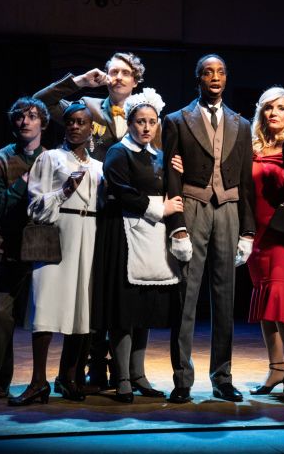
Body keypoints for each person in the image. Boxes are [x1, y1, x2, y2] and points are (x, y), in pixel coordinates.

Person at [33, 52, 146, 390]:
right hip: (88, 208)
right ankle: (87, 370)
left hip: (127, 212)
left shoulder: (147, 113)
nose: (118, 77)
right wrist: (80, 81)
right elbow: (41, 103)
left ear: (136, 80)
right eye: (113, 72)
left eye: (125, 73)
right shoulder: (87, 108)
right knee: (85, 293)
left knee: (111, 293)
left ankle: (124, 371)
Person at [162, 54, 255, 403]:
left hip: (228, 209)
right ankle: (182, 379)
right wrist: (177, 227)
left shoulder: (240, 124)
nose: (215, 77)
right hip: (193, 206)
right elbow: (170, 175)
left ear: (226, 78)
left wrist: (248, 231)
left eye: (220, 72)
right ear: (198, 78)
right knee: (186, 296)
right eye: (208, 72)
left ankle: (223, 377)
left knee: (225, 297)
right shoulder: (177, 120)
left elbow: (246, 181)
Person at [8, 104, 104, 406]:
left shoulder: (99, 167)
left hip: (89, 236)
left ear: (91, 129)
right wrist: (64, 191)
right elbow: (35, 206)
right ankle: (38, 382)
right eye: (70, 122)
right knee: (46, 307)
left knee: (81, 309)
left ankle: (69, 377)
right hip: (57, 234)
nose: (75, 126)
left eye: (81, 122)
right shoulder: (50, 158)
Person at [92, 88, 184, 403]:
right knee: (124, 310)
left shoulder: (158, 156)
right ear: (130, 123)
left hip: (152, 238)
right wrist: (160, 207)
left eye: (152, 122)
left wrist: (177, 173)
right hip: (124, 236)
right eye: (140, 121)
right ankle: (122, 378)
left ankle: (138, 373)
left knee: (144, 308)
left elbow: (168, 186)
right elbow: (122, 191)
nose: (146, 127)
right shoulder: (119, 152)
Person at [246, 87, 284, 405]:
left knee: (280, 295)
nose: (273, 112)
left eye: (281, 108)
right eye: (268, 107)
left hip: (283, 231)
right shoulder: (253, 145)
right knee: (264, 298)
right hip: (256, 232)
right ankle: (275, 369)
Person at [0, 97, 48, 400]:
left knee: (49, 314)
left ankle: (48, 380)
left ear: (42, 123)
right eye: (20, 117)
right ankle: (1, 378)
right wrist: (23, 181)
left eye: (32, 116)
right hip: (5, 247)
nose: (25, 121)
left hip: (42, 247)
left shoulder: (52, 159)